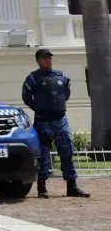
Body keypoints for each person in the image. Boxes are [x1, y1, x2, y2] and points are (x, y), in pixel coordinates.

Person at [22, 48, 90, 199]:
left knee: (67, 152)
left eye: (49, 58)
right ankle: (42, 187)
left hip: (60, 120)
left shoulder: (61, 76)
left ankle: (72, 186)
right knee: (44, 155)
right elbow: (26, 97)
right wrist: (40, 107)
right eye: (44, 58)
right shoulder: (33, 78)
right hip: (43, 121)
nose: (48, 60)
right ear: (38, 60)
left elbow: (65, 94)